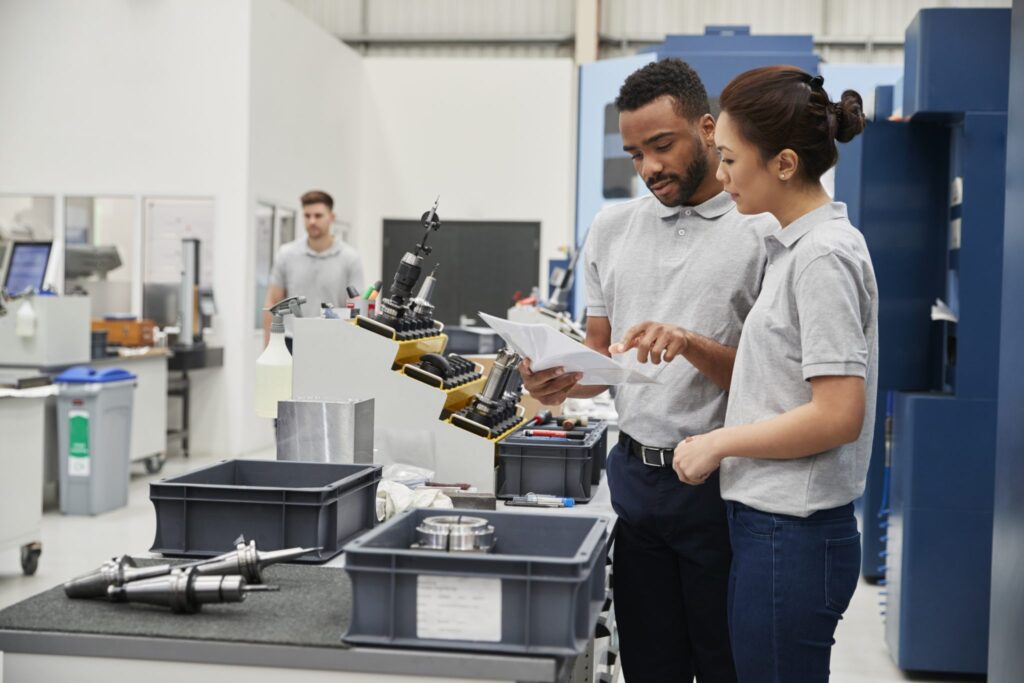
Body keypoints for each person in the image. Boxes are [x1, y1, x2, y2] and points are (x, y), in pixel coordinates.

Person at [519, 59, 775, 683]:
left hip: (723, 486)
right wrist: (554, 380)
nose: (649, 168)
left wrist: (689, 342)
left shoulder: (762, 231)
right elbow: (602, 360)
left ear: (708, 130)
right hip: (634, 483)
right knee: (649, 664)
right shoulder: (610, 229)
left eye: (662, 146)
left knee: (726, 663)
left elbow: (773, 385)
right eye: (635, 153)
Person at [673, 67, 877, 683]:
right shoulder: (792, 249)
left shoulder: (824, 257)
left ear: (784, 163)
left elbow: (838, 414)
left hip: (795, 533)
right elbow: (780, 381)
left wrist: (718, 441)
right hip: (772, 527)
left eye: (731, 160)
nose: (723, 176)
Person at [263, 190, 365, 351]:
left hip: (333, 344)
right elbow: (272, 304)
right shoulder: (286, 254)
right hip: (291, 343)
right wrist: (268, 349)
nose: (312, 221)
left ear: (331, 217)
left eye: (318, 216)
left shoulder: (350, 258)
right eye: (307, 215)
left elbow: (357, 310)